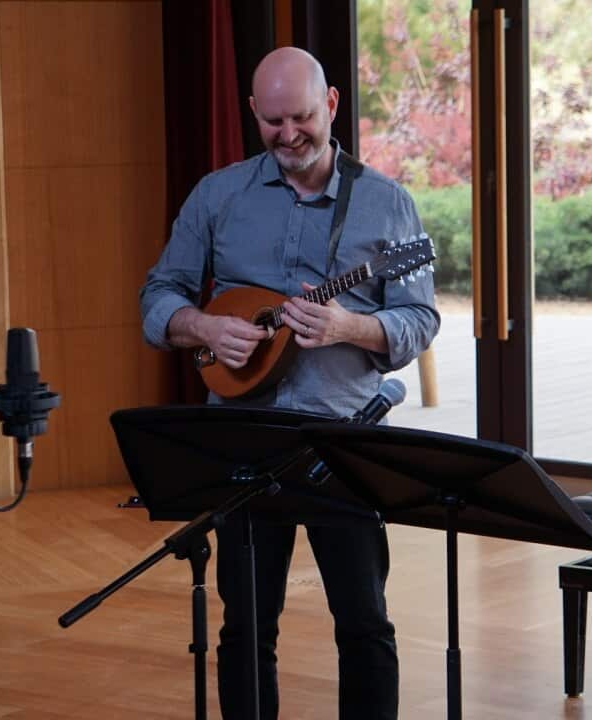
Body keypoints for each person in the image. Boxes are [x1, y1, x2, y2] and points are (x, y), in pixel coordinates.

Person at [139, 47, 439, 720]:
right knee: (245, 625)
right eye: (272, 121)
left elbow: (419, 320)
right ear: (253, 111)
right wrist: (205, 328)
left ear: (331, 103)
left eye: (302, 117)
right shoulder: (217, 196)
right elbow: (158, 298)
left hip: (344, 437)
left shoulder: (388, 205)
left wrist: (348, 326)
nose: (288, 134)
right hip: (243, 438)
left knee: (363, 622)